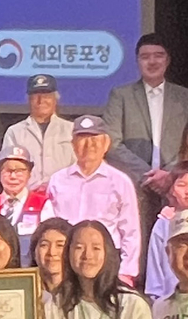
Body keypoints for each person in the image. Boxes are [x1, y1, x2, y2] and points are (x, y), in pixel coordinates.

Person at [103, 34, 188, 218]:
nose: (152, 61)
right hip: (134, 185)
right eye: (145, 56)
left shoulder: (186, 97)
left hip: (177, 187)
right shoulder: (120, 95)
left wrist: (169, 174)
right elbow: (111, 142)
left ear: (167, 60)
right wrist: (147, 176)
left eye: (158, 55)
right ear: (137, 61)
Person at [45, 115, 143, 283]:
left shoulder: (120, 181)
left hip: (107, 257)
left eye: (94, 138)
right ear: (73, 145)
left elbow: (131, 231)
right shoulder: (57, 180)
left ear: (106, 144)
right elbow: (49, 224)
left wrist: (127, 272)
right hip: (68, 258)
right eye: (82, 138)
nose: (89, 144)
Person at [143, 161, 188, 299]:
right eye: (181, 185)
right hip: (171, 299)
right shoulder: (164, 223)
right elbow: (155, 267)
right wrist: (156, 298)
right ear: (172, 190)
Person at [0, 73, 77, 189]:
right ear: (29, 100)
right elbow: (7, 170)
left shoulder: (71, 130)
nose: (41, 101)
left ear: (55, 99)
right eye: (36, 96)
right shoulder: (15, 132)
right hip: (27, 198)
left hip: (64, 195)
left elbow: (79, 167)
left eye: (46, 96)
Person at [0, 146, 52, 249]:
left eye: (20, 171)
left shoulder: (43, 204)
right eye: (8, 171)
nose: (13, 176)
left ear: (29, 174)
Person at [30, 217, 73, 302]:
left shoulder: (84, 292)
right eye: (44, 245)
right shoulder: (25, 290)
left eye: (60, 245)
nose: (52, 253)